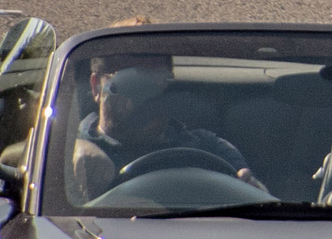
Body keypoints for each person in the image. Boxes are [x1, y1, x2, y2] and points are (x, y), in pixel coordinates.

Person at [74, 56, 259, 192]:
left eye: (159, 80)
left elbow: (256, 197)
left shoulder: (206, 147)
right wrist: (74, 151)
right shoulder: (67, 151)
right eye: (132, 80)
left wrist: (247, 186)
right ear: (96, 86)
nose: (148, 95)